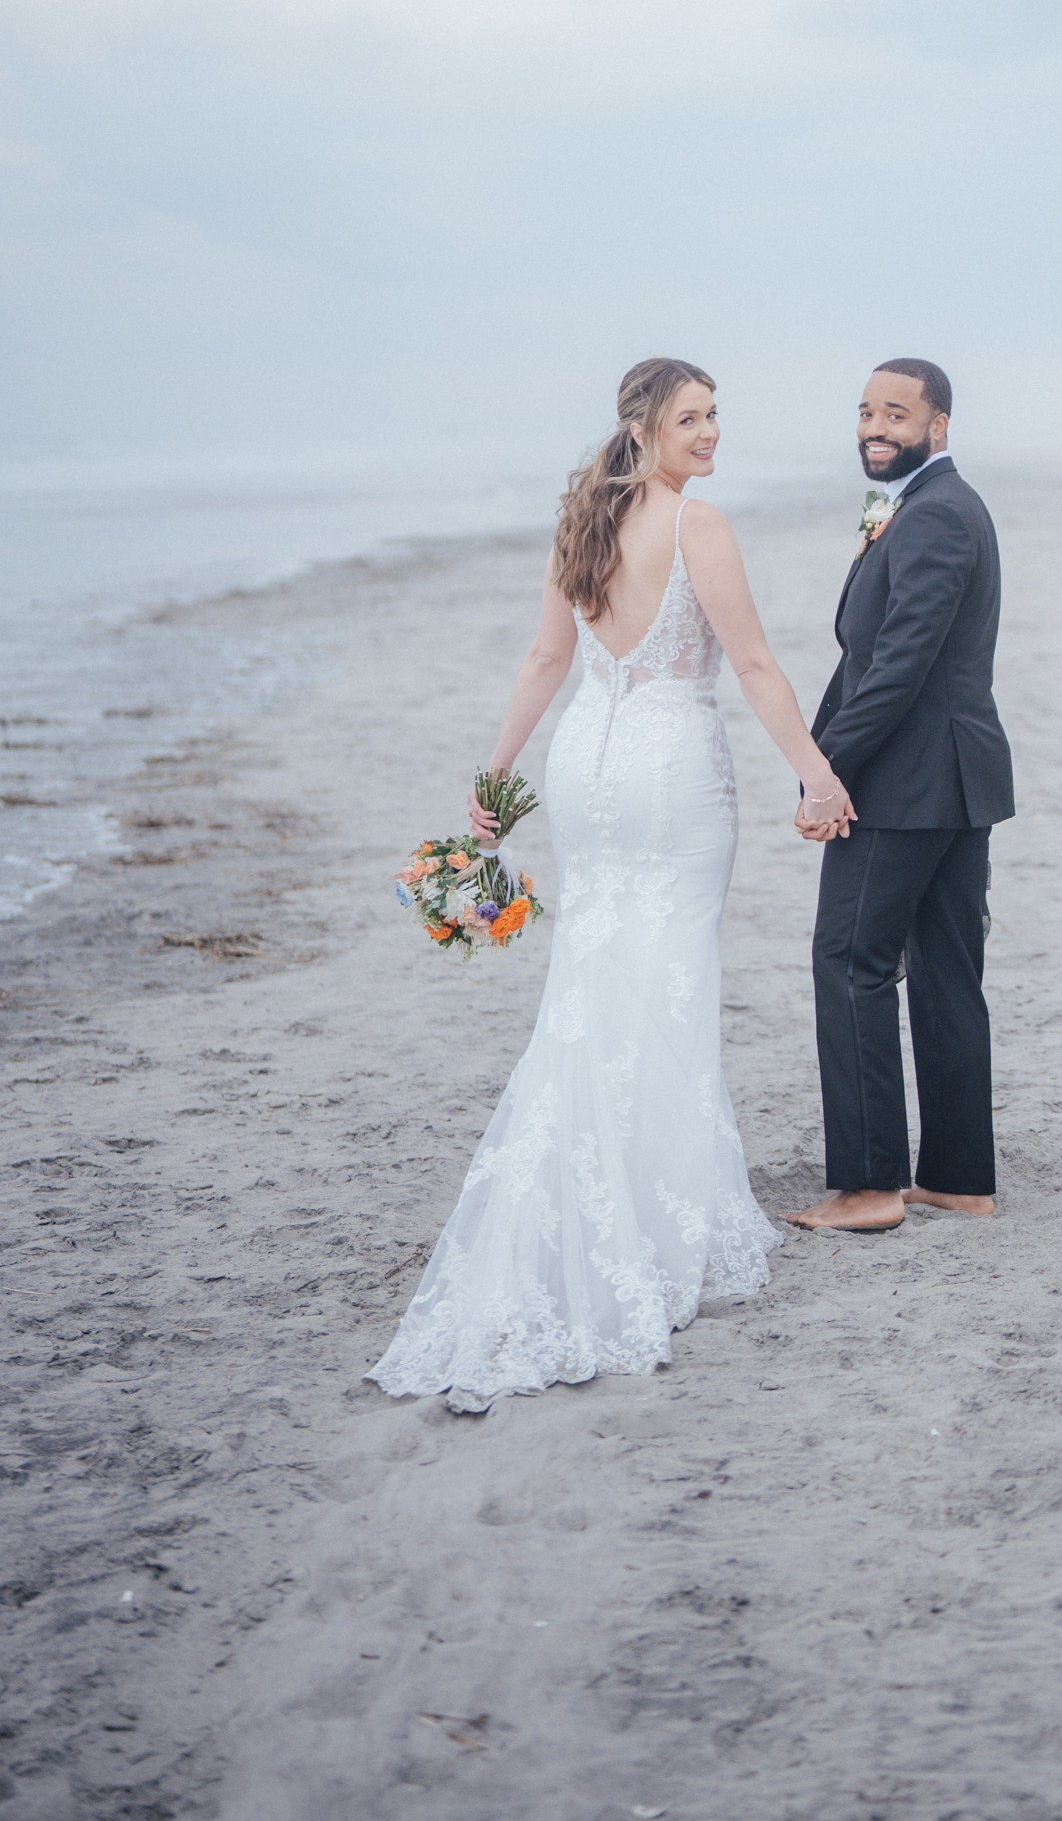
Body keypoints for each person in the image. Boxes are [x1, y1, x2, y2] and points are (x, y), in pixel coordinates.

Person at [368, 356, 853, 1408]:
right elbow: (757, 667)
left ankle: (599, 1180)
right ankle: (655, 1211)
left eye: (715, 417)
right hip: (671, 773)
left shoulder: (580, 521)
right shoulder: (697, 525)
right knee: (669, 977)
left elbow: (546, 660)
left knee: (592, 981)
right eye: (692, 419)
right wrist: (814, 771)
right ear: (643, 427)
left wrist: (496, 776)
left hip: (585, 767)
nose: (711, 435)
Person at [786, 360, 1014, 1235]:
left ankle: (872, 1186)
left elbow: (896, 671)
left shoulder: (936, 518)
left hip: (908, 787)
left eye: (898, 414)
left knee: (850, 964)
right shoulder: (929, 509)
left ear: (940, 425)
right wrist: (812, 752)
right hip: (952, 780)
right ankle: (958, 1178)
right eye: (867, 412)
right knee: (948, 974)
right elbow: (867, 658)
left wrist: (825, 773)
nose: (876, 427)